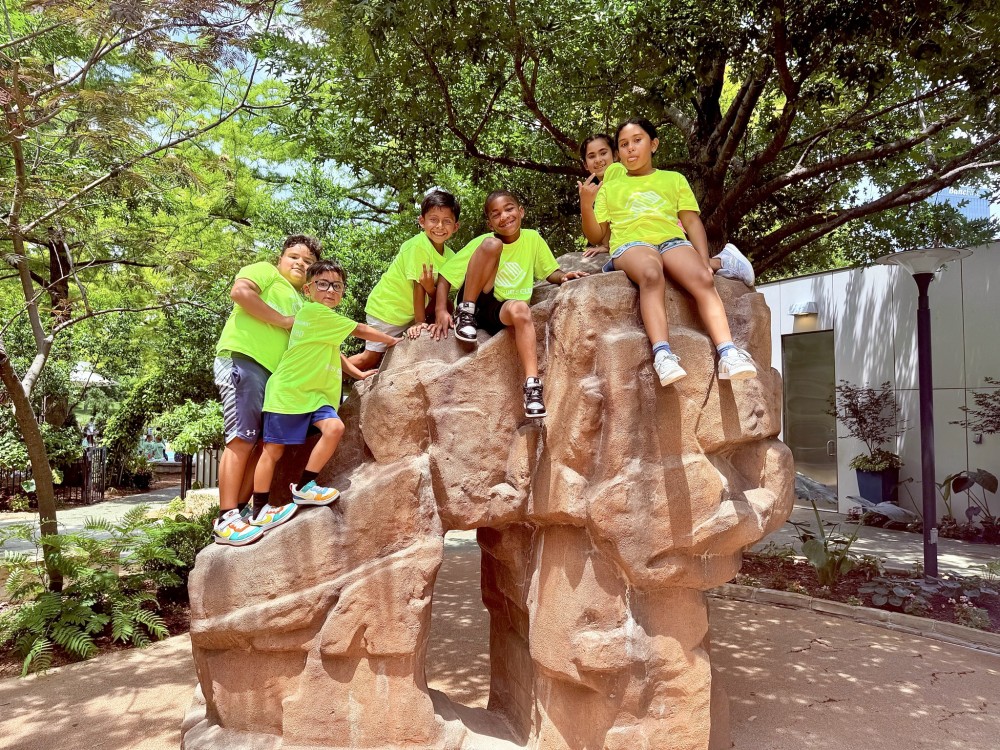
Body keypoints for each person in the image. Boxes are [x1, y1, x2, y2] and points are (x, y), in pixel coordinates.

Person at [580, 118, 758, 386]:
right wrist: (586, 203)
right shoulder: (611, 187)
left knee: (703, 278)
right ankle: (663, 354)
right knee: (651, 273)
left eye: (637, 141)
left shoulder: (674, 179)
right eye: (624, 144)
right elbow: (595, 234)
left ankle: (728, 353)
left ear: (653, 144)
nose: (630, 149)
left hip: (671, 240)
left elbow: (691, 222)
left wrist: (702, 259)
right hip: (631, 244)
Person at [247, 260, 403, 534]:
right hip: (289, 392)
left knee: (334, 427)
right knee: (272, 451)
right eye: (322, 284)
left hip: (316, 396)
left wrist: (358, 374)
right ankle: (259, 508)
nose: (330, 290)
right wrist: (394, 342)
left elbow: (335, 352)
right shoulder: (315, 313)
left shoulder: (324, 323)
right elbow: (360, 330)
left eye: (337, 286)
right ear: (308, 289)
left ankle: (305, 486)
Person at [431, 190, 588, 419]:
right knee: (491, 246)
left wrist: (563, 276)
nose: (504, 216)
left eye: (509, 209)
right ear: (490, 222)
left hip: (500, 309)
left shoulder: (532, 239)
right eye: (496, 214)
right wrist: (441, 311)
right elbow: (445, 276)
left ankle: (532, 387)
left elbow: (549, 271)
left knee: (522, 310)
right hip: (479, 297)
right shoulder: (484, 242)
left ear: (521, 211)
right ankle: (466, 313)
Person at [211, 234, 320, 547]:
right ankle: (226, 517)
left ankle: (243, 513)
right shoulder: (265, 272)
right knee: (241, 439)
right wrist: (284, 320)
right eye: (294, 257)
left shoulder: (304, 302)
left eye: (308, 262)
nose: (300, 263)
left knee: (260, 445)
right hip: (245, 359)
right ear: (280, 259)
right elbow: (240, 292)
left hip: (274, 378)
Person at [578, 133, 754, 288]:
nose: (599, 160)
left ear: (615, 155)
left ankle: (720, 261)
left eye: (603, 153)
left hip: (653, 231)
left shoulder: (615, 171)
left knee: (663, 265)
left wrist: (607, 245)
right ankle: (720, 262)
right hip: (649, 232)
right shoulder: (604, 184)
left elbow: (620, 213)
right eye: (591, 156)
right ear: (585, 164)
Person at [347, 189, 461, 372]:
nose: (440, 226)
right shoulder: (418, 246)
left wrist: (430, 291)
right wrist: (419, 322)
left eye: (447, 221)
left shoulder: (451, 257)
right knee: (369, 358)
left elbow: (437, 293)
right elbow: (419, 287)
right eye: (433, 220)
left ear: (455, 226)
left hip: (405, 314)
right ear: (422, 221)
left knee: (448, 307)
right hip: (387, 309)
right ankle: (326, 371)